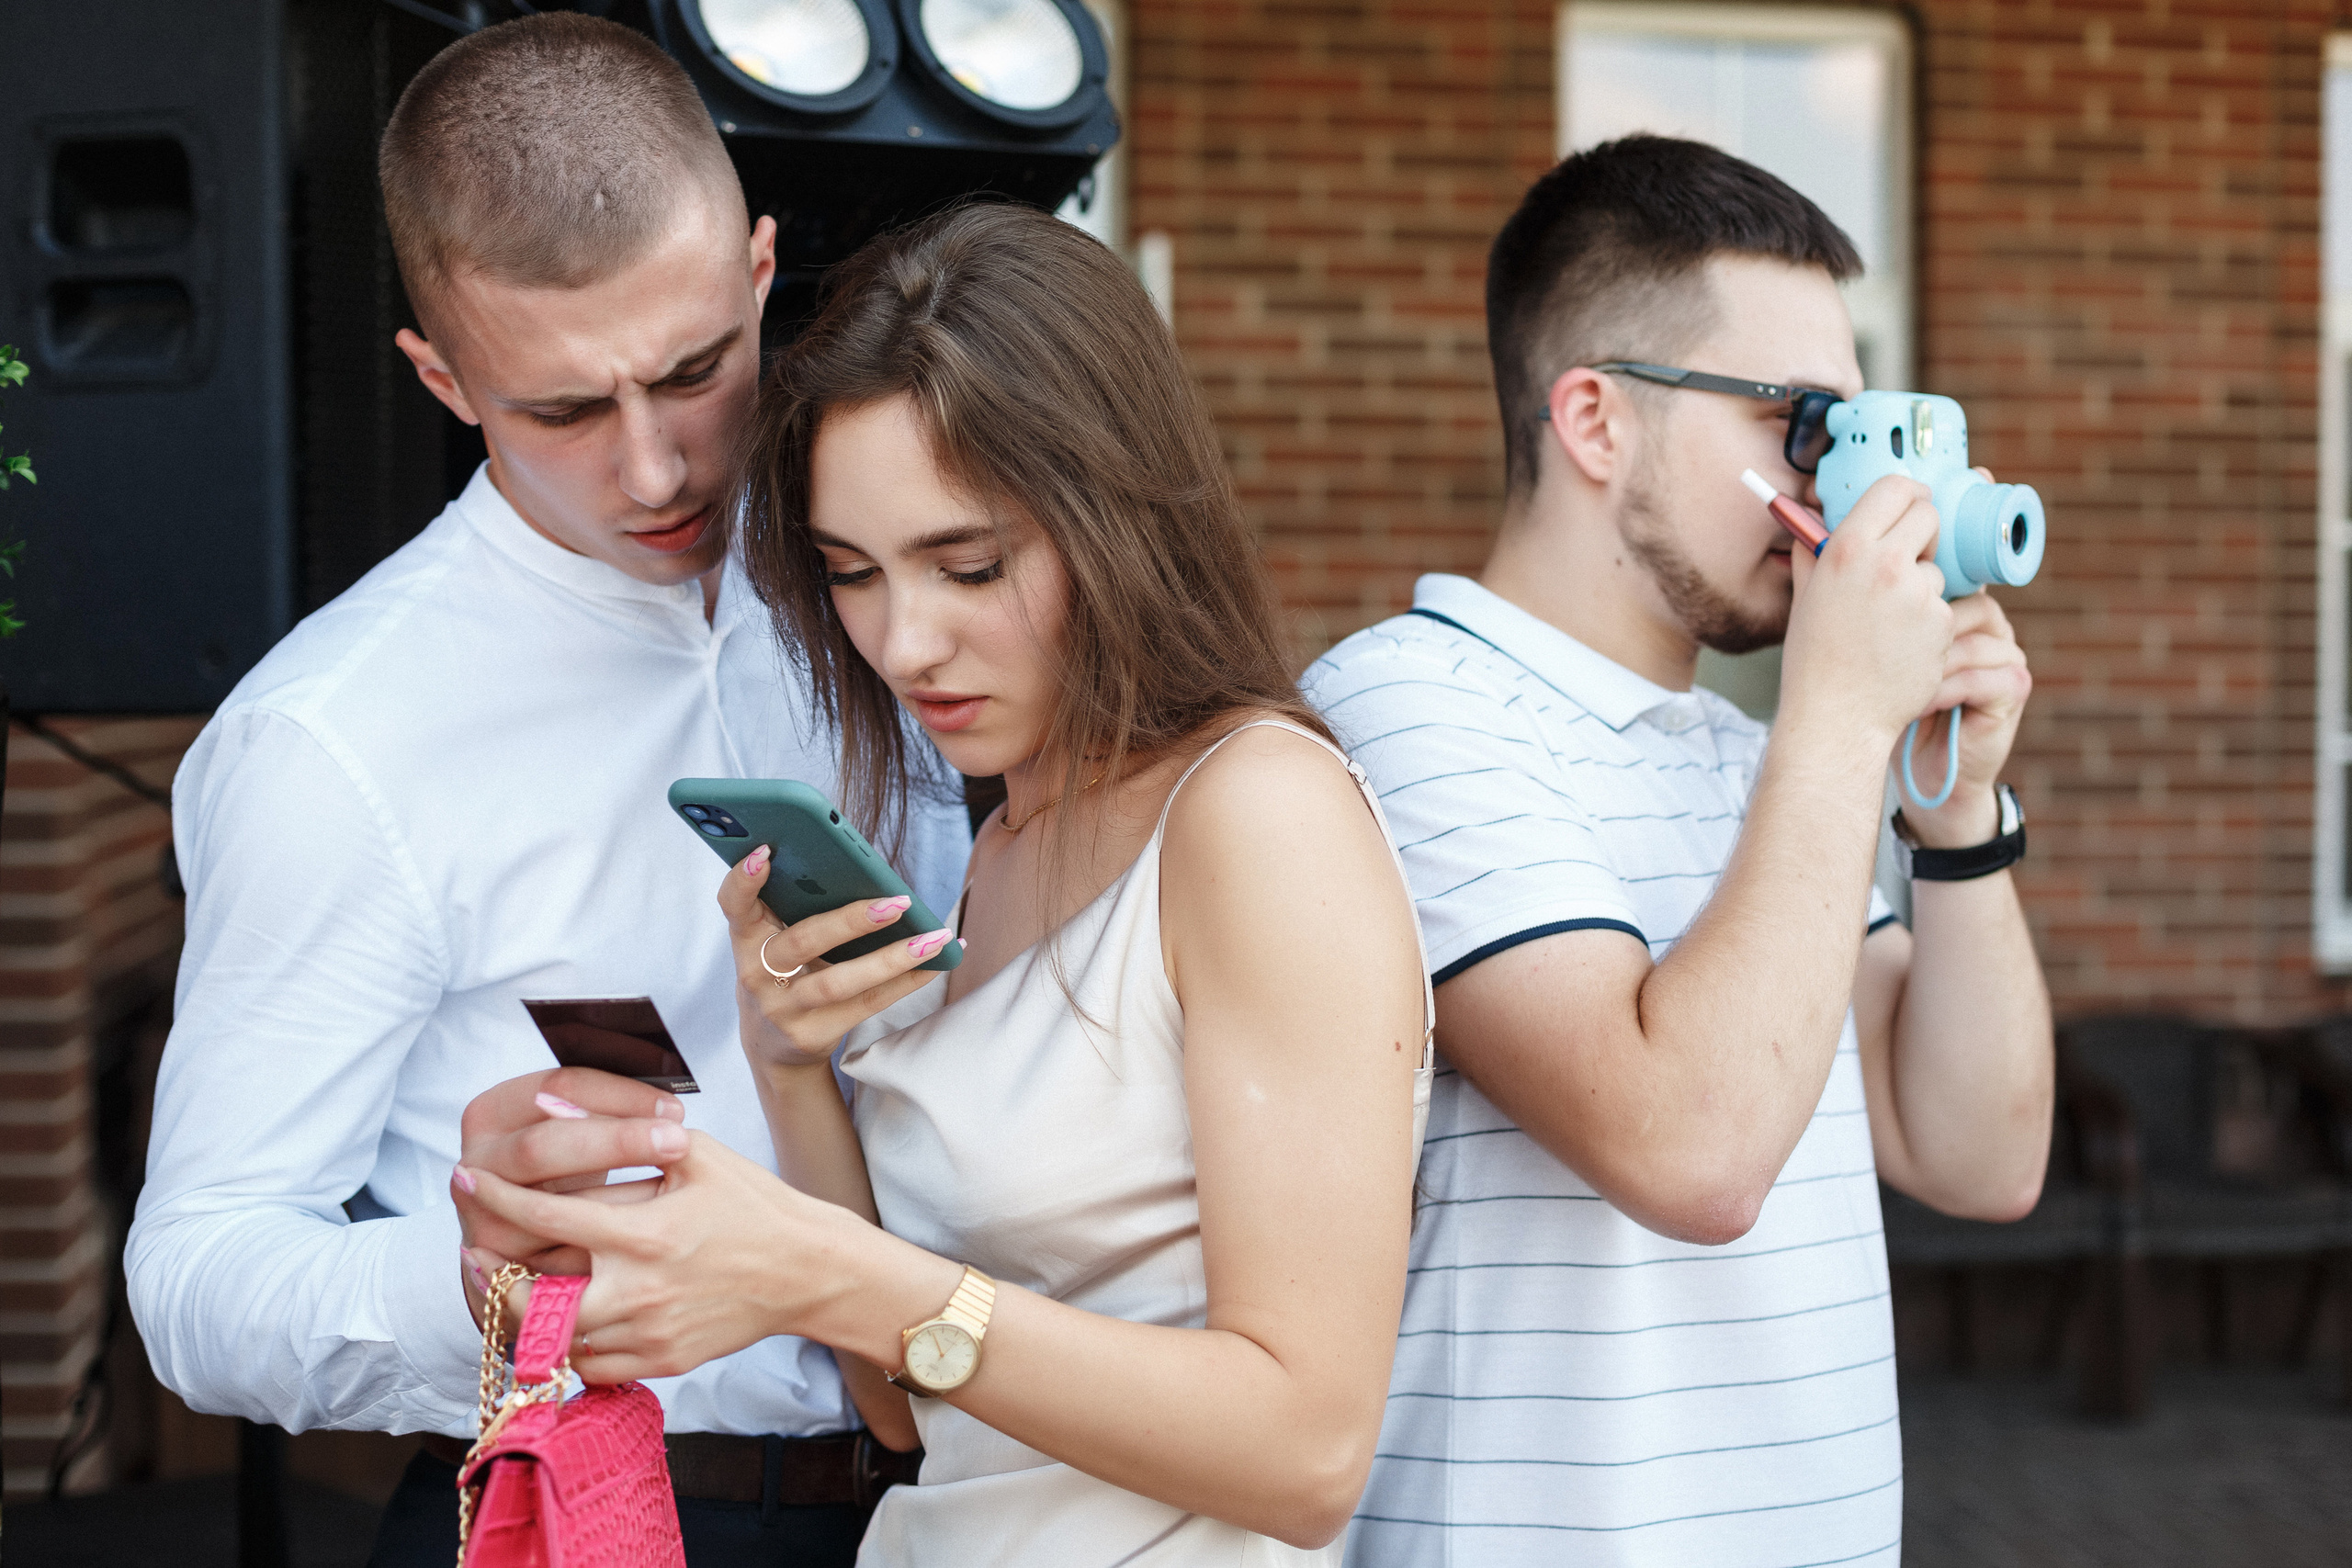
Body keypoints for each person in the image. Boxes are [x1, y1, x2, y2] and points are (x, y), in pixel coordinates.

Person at [453, 200, 1435, 1566]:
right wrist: (790, 1067)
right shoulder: (1009, 837)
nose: (905, 643)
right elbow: (905, 1407)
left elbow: (1306, 1450)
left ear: (1119, 520)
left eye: (967, 566)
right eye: (852, 575)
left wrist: (822, 1268)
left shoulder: (1257, 815)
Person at [125, 17, 968, 1566]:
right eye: (565, 411)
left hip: (995, 1479)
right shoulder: (333, 739)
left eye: (695, 373)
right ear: (443, 378)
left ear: (762, 274)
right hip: (618, 1508)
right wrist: (475, 1278)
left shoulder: (889, 576)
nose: (657, 470)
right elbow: (197, 1278)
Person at [1302, 135, 2055, 1566]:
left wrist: (1955, 808)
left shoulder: (1760, 762)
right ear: (1596, 420)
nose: (1838, 479)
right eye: (1802, 424)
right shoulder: (1400, 707)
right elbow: (1692, 1151)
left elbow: (1978, 1155)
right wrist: (1837, 719)